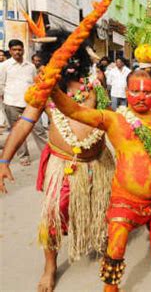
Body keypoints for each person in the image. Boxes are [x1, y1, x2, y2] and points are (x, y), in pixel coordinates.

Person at [43, 69, 151, 292]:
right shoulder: (114, 119)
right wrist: (53, 91)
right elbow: (74, 110)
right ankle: (111, 286)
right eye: (135, 91)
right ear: (125, 92)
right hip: (126, 198)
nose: (141, 96)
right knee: (117, 245)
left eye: (147, 92)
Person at [0, 30, 114, 292]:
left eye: (76, 54)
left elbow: (109, 119)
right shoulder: (46, 88)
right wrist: (4, 160)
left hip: (99, 162)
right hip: (63, 165)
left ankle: (109, 250)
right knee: (52, 216)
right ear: (53, 58)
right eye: (66, 55)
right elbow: (25, 122)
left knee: (106, 211)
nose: (72, 60)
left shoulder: (95, 83)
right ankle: (49, 268)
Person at [0, 39, 48, 166]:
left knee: (39, 130)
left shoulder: (31, 66)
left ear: (23, 50)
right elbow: (1, 84)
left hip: (31, 104)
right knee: (17, 131)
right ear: (10, 51)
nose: (17, 52)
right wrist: (3, 102)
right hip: (12, 103)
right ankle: (23, 156)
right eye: (14, 50)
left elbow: (34, 83)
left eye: (19, 49)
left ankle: (47, 153)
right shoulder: (4, 66)